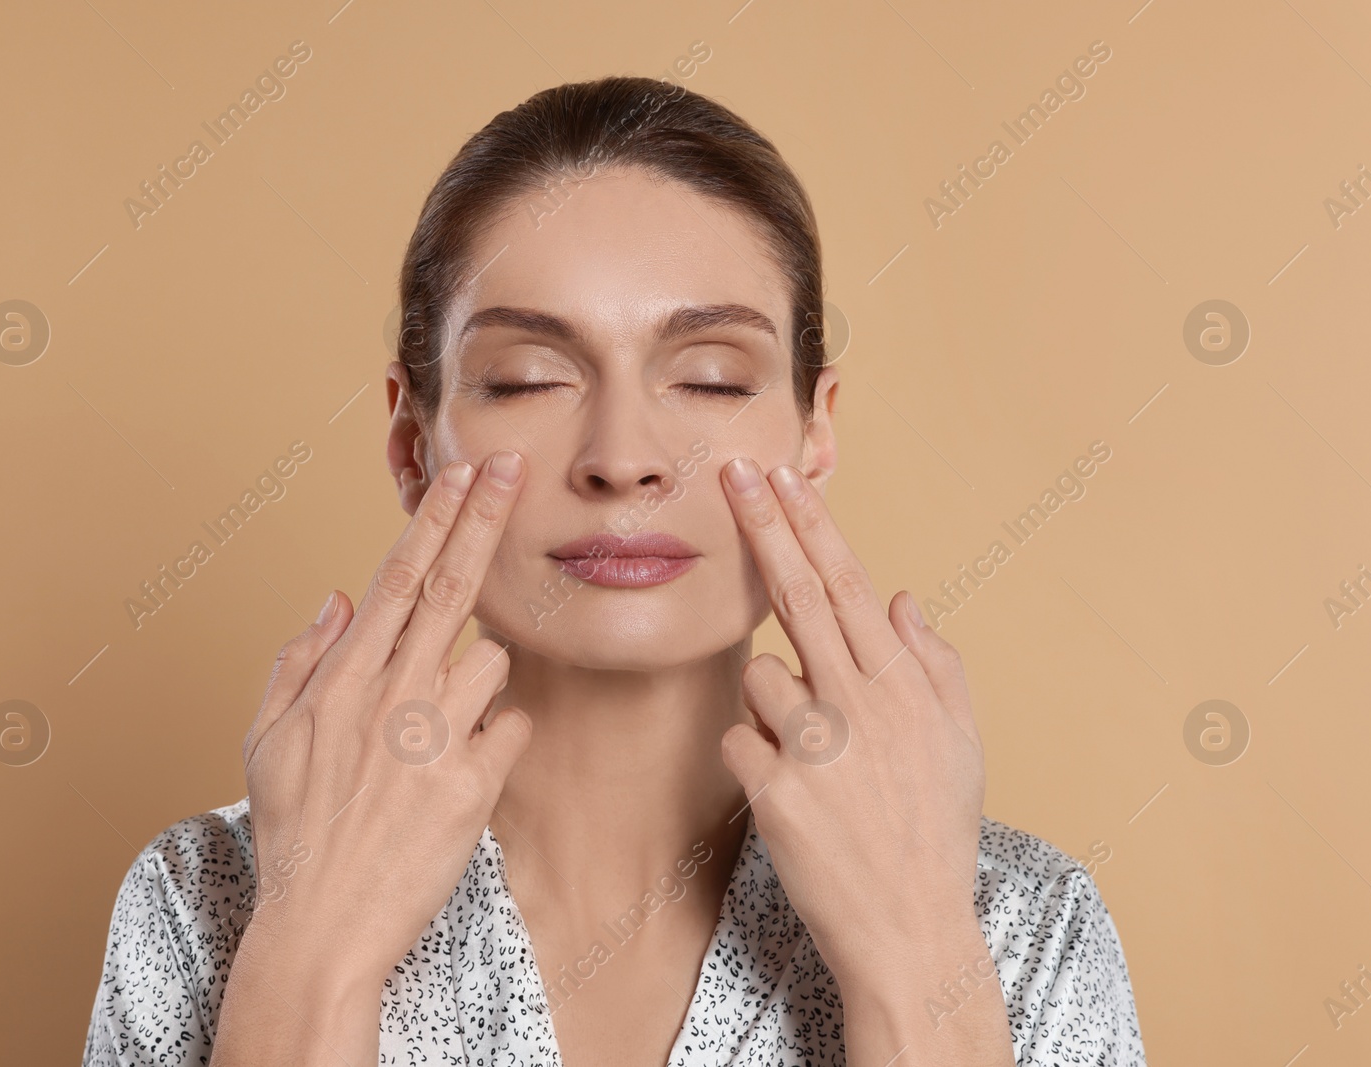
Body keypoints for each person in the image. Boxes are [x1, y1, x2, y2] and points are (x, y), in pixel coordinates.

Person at [81, 75, 1145, 1066]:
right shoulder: (212, 897)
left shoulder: (1017, 918)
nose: (625, 455)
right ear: (413, 441)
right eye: (529, 378)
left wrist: (917, 962)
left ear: (813, 433)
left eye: (714, 378)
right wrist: (307, 954)